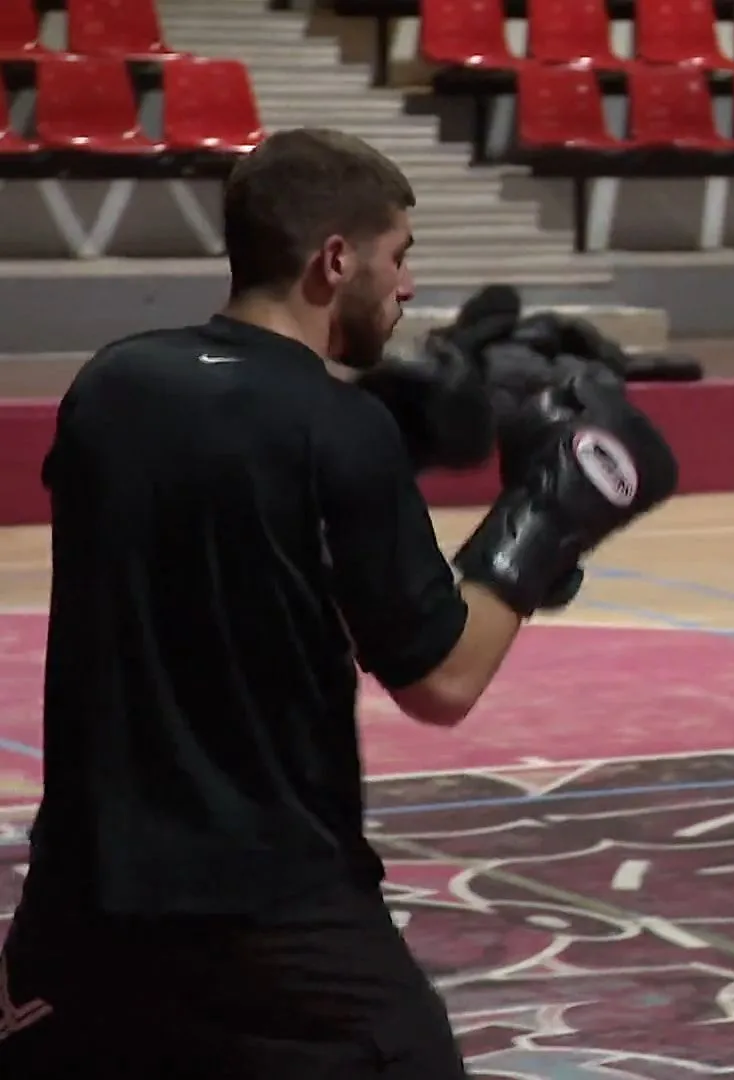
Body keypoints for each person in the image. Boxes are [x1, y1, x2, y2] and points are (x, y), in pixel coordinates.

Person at [0, 128, 678, 1078]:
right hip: (273, 913)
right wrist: (545, 518)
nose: (407, 287)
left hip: (81, 906)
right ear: (334, 260)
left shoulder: (110, 386)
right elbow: (441, 679)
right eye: (397, 258)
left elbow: (228, 461)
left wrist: (391, 424)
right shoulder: (340, 430)